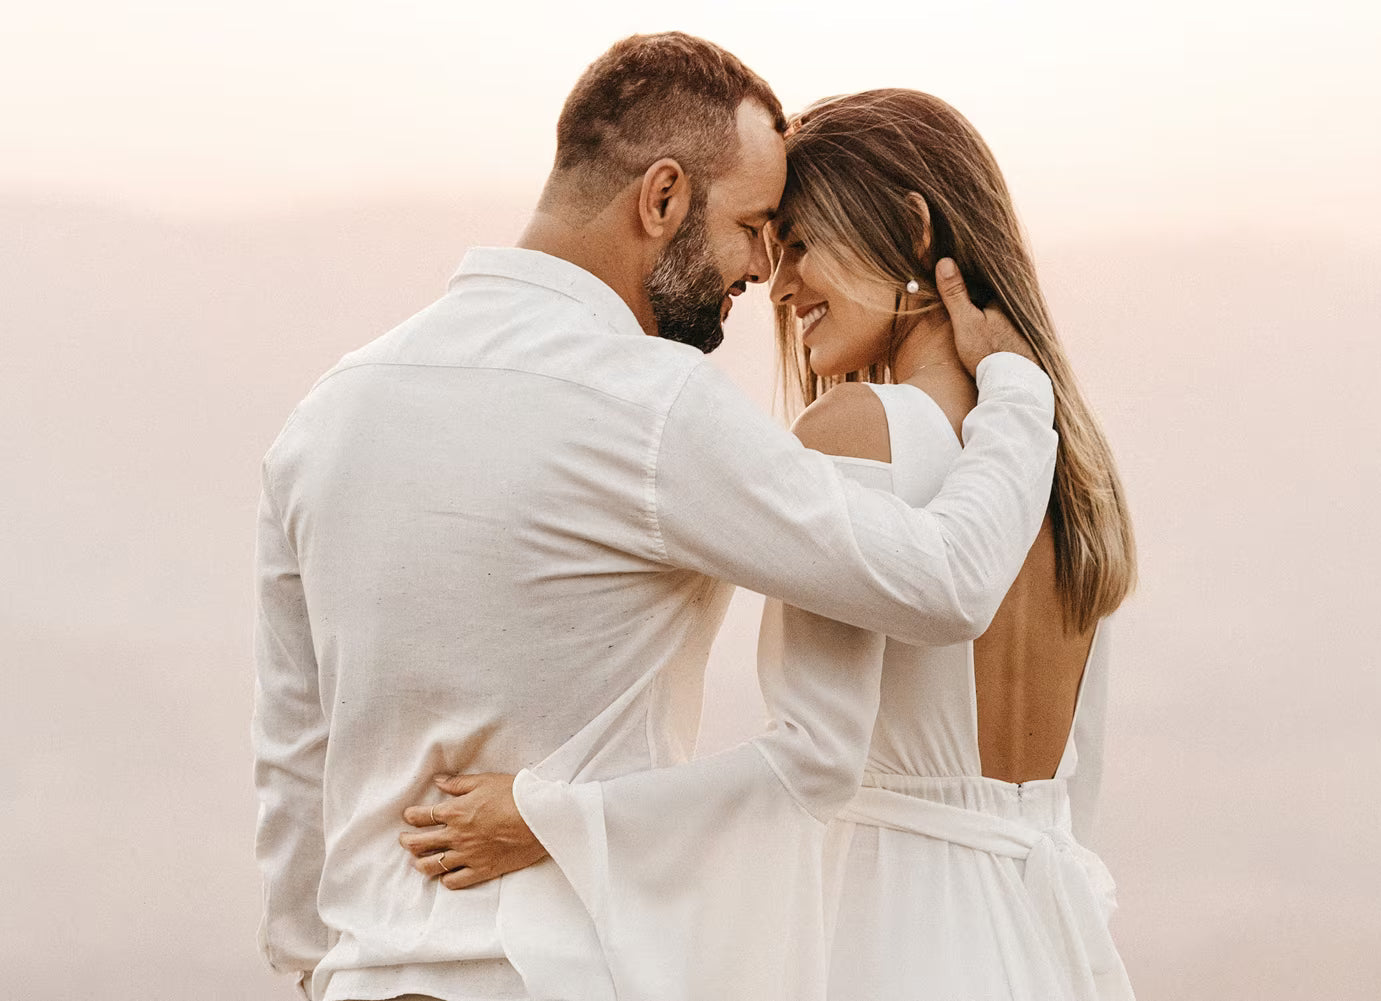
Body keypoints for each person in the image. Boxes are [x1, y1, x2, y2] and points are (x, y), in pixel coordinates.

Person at [252, 32, 1056, 1001]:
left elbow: (295, 753)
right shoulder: (655, 407)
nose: (762, 269)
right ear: (663, 197)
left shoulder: (325, 416)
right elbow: (948, 579)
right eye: (757, 224)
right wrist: (1016, 388)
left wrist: (311, 959)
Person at [414, 89, 1139, 1000]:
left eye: (797, 241)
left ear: (912, 231)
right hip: (1047, 945)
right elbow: (1075, 790)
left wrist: (550, 820)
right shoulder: (1071, 473)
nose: (778, 283)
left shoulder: (858, 430)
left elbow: (809, 763)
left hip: (889, 933)